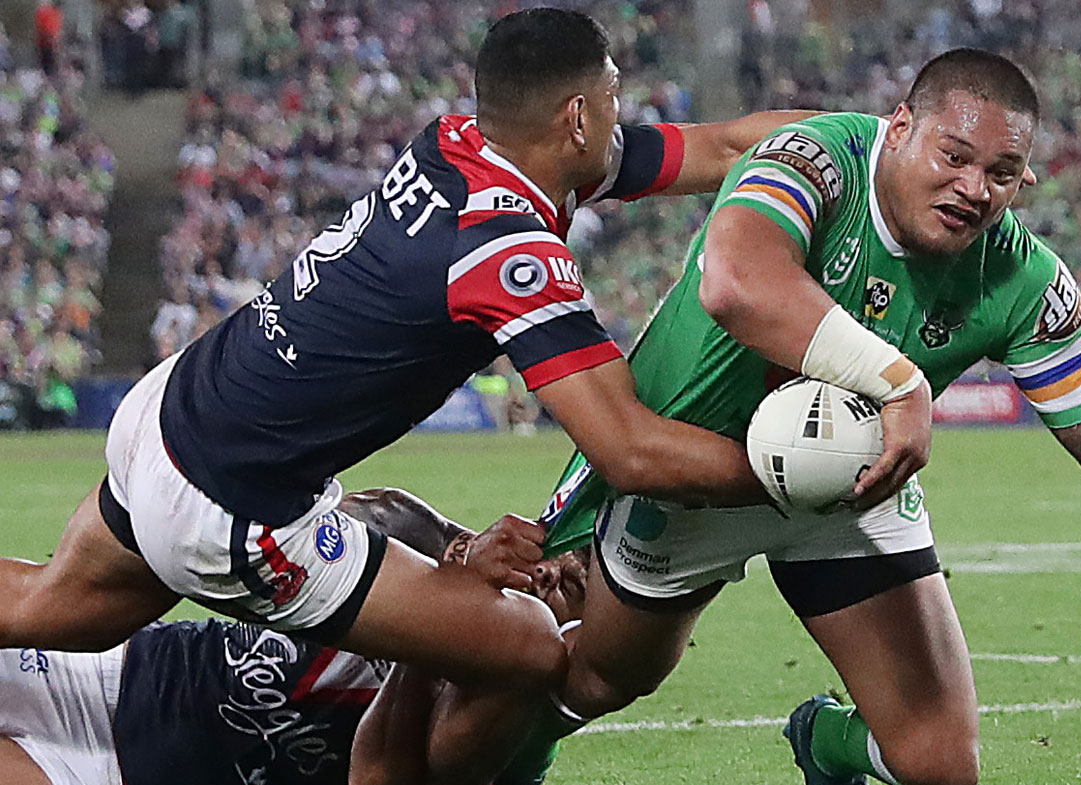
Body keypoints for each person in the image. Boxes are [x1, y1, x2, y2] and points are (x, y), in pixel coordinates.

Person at [0, 10, 883, 784]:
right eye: (615, 93)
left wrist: (882, 150)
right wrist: (804, 477)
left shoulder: (460, 141)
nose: (625, 110)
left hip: (171, 414)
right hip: (238, 511)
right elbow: (630, 451)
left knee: (56, 612)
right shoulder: (508, 250)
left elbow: (732, 147)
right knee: (531, 645)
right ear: (578, 115)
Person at [508, 48, 1081, 785]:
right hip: (692, 470)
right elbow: (737, 282)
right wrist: (902, 385)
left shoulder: (1021, 275)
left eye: (1001, 173)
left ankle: (825, 741)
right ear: (898, 130)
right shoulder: (819, 157)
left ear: (1026, 180)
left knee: (941, 768)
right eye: (953, 155)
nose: (973, 188)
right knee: (598, 679)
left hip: (856, 485)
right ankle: (520, 758)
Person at [0, 487, 588, 785]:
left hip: (119, 775)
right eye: (561, 554)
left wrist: (437, 649)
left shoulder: (505, 715)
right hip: (106, 670)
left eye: (572, 585)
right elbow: (366, 512)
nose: (550, 572)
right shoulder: (428, 559)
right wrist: (455, 562)